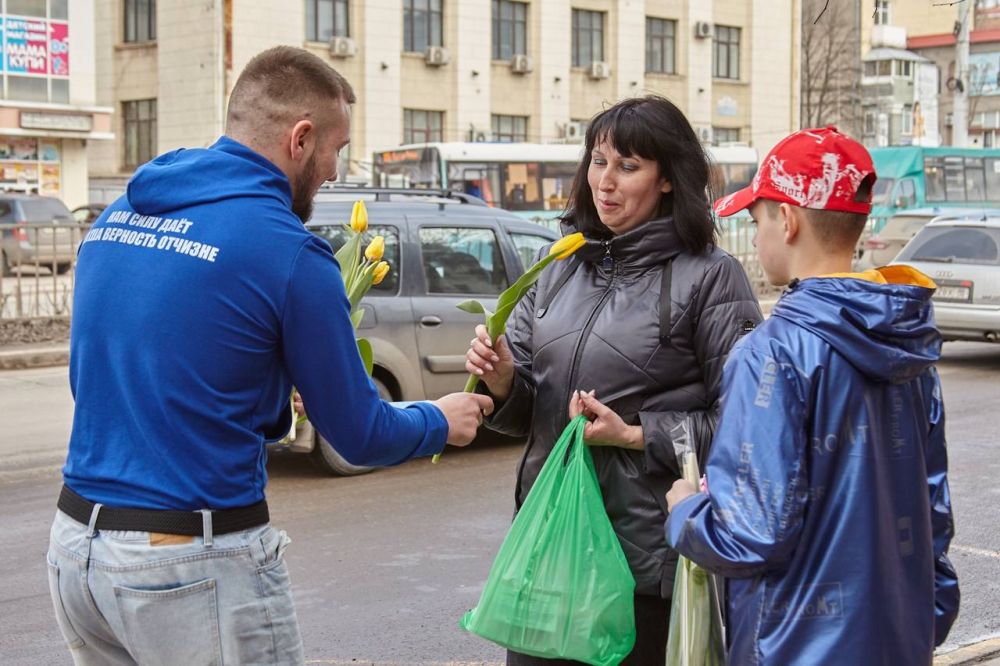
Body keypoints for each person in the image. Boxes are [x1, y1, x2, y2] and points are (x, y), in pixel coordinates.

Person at [46, 46, 492, 665]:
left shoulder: (121, 215)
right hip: (189, 561)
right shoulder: (289, 253)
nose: (336, 170)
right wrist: (440, 419)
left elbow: (122, 380)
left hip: (76, 552)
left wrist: (272, 404)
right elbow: (359, 434)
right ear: (301, 139)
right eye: (337, 147)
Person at [465, 95, 762, 664]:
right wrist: (503, 381)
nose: (606, 181)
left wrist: (635, 434)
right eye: (598, 162)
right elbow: (527, 412)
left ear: (669, 179)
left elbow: (748, 425)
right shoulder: (557, 268)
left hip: (642, 566)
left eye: (628, 166)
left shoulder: (710, 277)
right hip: (551, 550)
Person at [665, 126, 960, 665]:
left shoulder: (770, 354)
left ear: (789, 219)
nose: (754, 239)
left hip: (794, 647)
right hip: (898, 638)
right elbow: (932, 508)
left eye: (757, 221)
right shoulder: (909, 346)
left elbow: (752, 535)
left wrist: (686, 511)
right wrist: (926, 616)